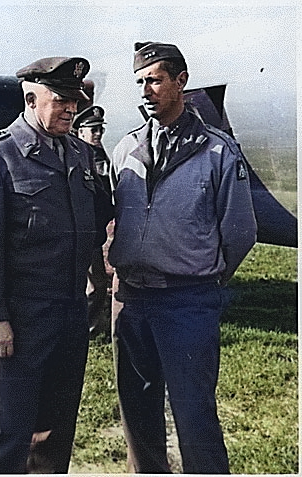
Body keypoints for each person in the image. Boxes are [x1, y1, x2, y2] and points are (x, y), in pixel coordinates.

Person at [0, 56, 113, 474]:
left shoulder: (79, 153)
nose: (70, 109)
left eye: (74, 102)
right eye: (60, 100)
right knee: (14, 431)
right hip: (22, 315)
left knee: (57, 430)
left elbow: (96, 221)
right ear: (30, 97)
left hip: (69, 312)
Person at [108, 41, 257, 473]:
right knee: (137, 417)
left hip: (187, 303)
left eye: (154, 80)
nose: (145, 90)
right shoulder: (126, 148)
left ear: (181, 82)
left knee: (194, 416)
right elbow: (112, 219)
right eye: (140, 82)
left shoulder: (217, 152)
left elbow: (240, 233)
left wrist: (198, 275)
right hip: (131, 302)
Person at [72, 105, 114, 338]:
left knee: (96, 285)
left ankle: (88, 329)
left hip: (93, 233)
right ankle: (84, 329)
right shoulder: (76, 157)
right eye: (93, 130)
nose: (98, 134)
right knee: (90, 285)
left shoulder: (98, 155)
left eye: (100, 130)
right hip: (78, 233)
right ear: (80, 133)